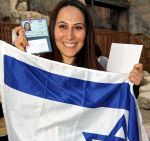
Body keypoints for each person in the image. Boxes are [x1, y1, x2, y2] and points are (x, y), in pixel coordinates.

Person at [13, 0, 143, 85]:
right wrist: (19, 55)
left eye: (78, 27)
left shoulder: (104, 67)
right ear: (52, 29)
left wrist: (133, 84)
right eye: (63, 26)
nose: (70, 36)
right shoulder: (37, 66)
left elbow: (118, 108)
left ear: (87, 32)